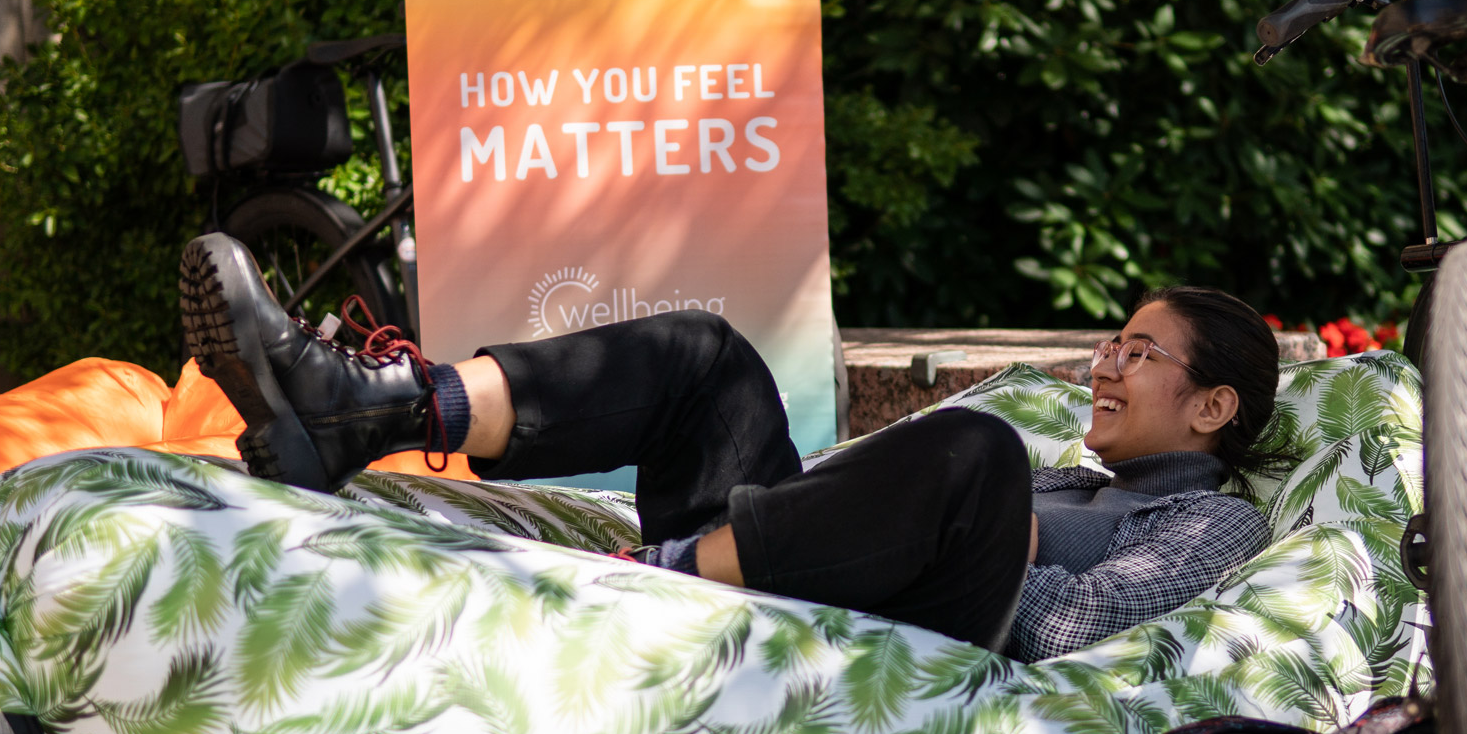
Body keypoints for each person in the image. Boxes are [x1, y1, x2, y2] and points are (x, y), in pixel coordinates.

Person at [179, 233, 1278, 663]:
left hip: (921, 628)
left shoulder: (1214, 518)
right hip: (790, 567)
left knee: (973, 451)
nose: (1101, 362)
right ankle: (371, 409)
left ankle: (646, 583)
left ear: (1212, 409)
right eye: (1112, 343)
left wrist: (1007, 520)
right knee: (708, 355)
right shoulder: (1075, 471)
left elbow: (1075, 625)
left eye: (1137, 352)